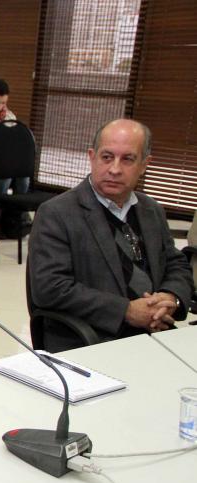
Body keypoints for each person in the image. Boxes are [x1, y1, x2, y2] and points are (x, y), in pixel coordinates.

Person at [28, 119, 192, 351]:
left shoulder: (151, 210)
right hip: (89, 338)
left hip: (154, 332)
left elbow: (176, 264)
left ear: (145, 164)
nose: (114, 169)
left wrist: (170, 298)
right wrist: (126, 311)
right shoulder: (57, 213)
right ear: (92, 157)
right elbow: (50, 288)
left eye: (127, 159)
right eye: (107, 157)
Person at [0, 79, 29, 198]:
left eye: (3, 103)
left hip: (7, 158)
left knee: (24, 176)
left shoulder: (10, 116)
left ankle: (19, 212)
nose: (0, 107)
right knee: (6, 174)